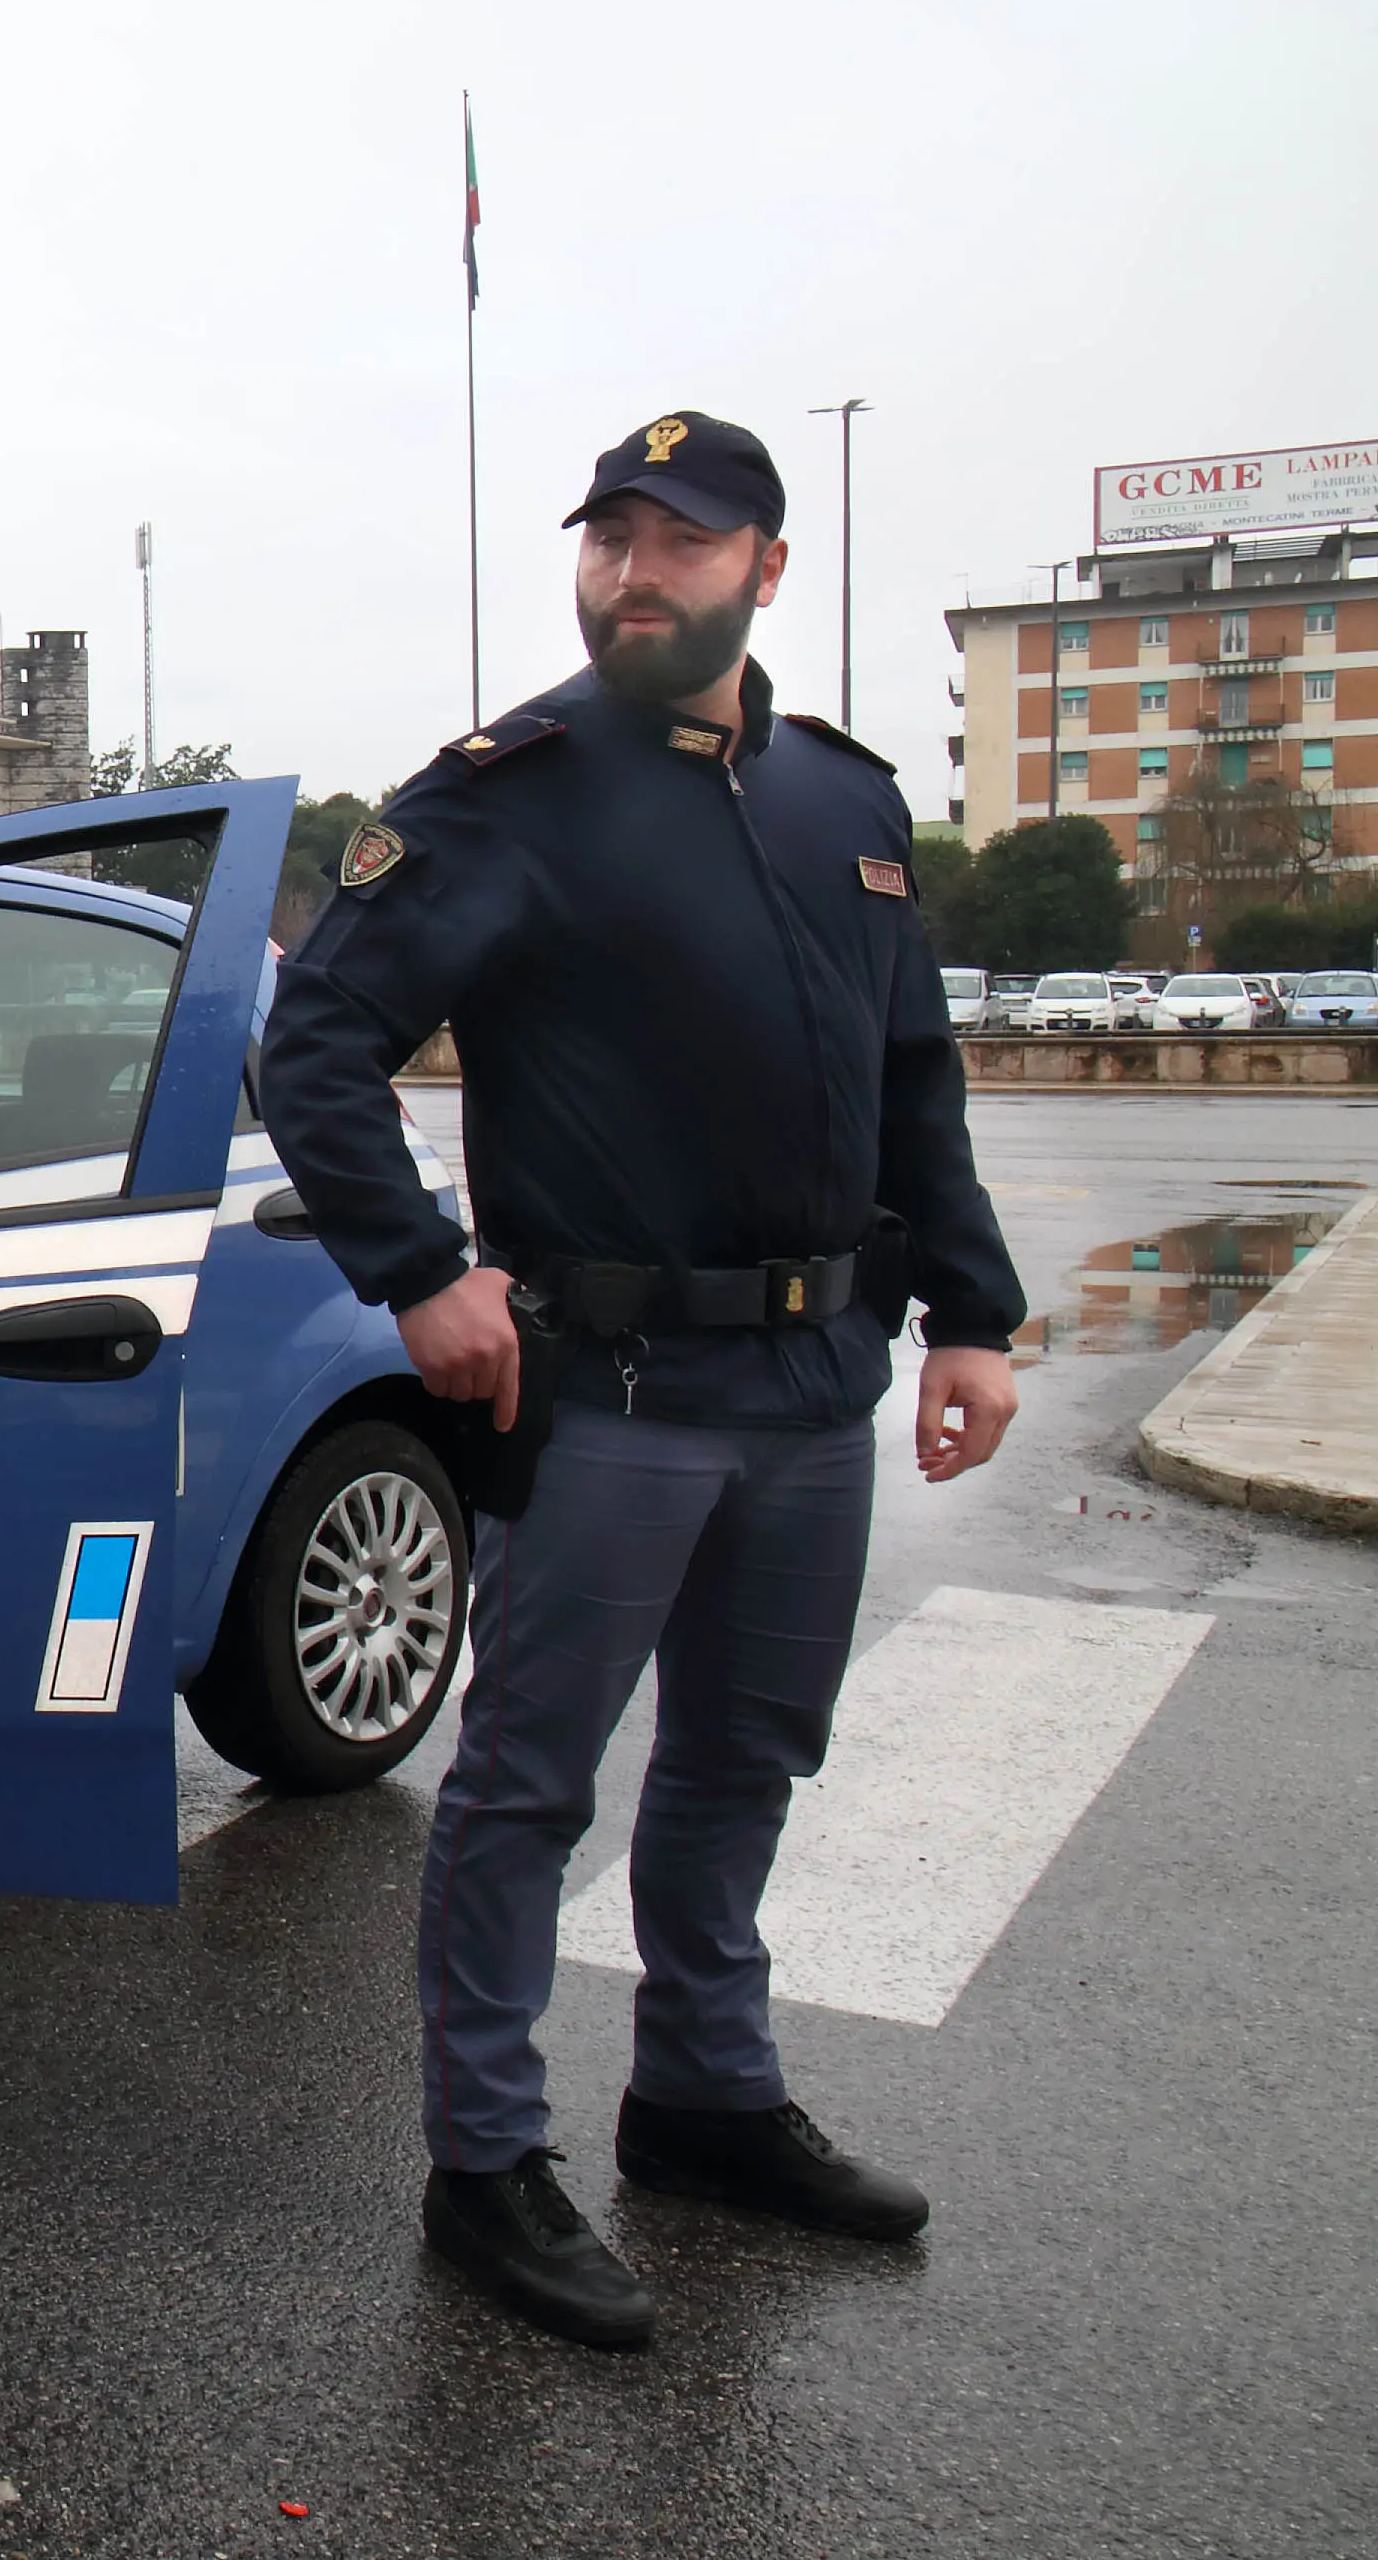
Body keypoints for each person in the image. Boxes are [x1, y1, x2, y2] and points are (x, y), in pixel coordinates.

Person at [260, 410, 1027, 2352]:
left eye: (676, 542)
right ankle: (485, 2161)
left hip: (807, 1390)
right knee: (524, 1789)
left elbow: (911, 1084)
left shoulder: (844, 802)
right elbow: (318, 1043)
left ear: (766, 569)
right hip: (597, 1389)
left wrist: (974, 1316)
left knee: (743, 1761)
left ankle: (697, 2094)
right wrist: (418, 1274)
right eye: (605, 538)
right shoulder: (506, 794)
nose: (629, 573)